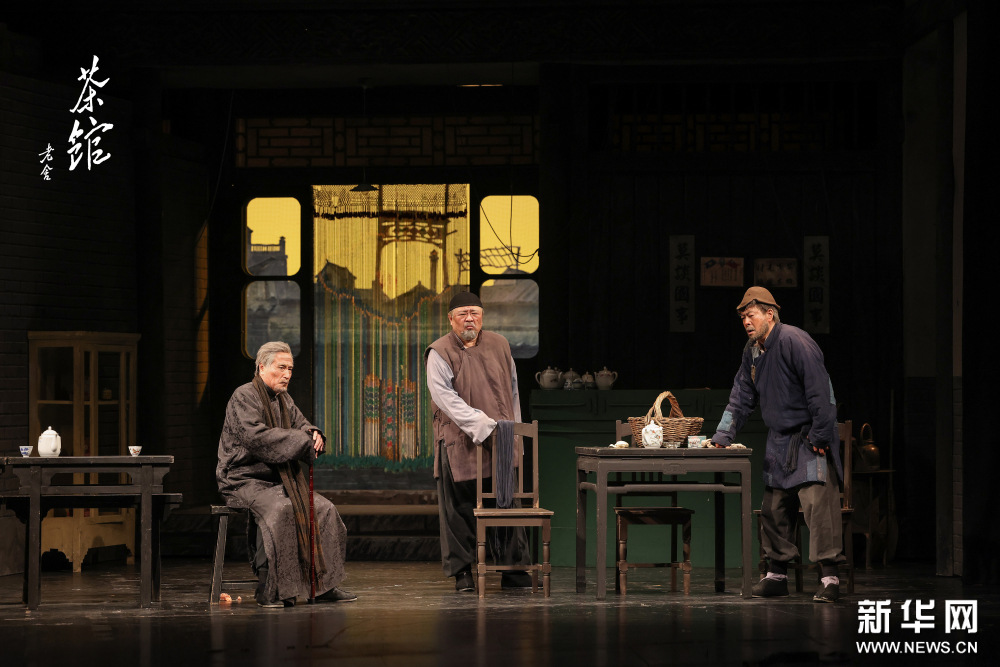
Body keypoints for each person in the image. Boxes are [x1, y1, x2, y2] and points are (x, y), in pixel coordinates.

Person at [709, 287, 847, 603]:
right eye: (743, 317)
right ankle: (777, 576)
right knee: (773, 510)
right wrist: (722, 436)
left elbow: (821, 392)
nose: (746, 322)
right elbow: (741, 396)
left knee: (818, 507)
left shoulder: (795, 341)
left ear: (769, 314)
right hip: (778, 441)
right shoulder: (752, 352)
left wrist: (820, 436)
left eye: (751, 315)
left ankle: (830, 578)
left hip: (808, 437)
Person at [217, 341, 356, 607]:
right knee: (280, 510)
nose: (287, 374)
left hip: (278, 480)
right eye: (281, 368)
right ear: (261, 367)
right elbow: (255, 437)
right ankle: (269, 588)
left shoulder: (284, 400)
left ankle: (322, 585)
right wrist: (301, 438)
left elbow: (302, 426)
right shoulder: (243, 396)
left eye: (290, 369)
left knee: (325, 509)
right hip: (242, 478)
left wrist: (314, 435)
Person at [425, 291, 532, 592]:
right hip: (458, 440)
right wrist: (481, 425)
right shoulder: (439, 351)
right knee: (458, 508)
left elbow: (512, 392)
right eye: (463, 314)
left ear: (482, 316)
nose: (469, 319)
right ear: (451, 319)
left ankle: (513, 570)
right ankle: (462, 572)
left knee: (505, 502)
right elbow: (444, 397)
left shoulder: (500, 345)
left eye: (474, 313)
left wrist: (515, 433)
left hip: (501, 438)